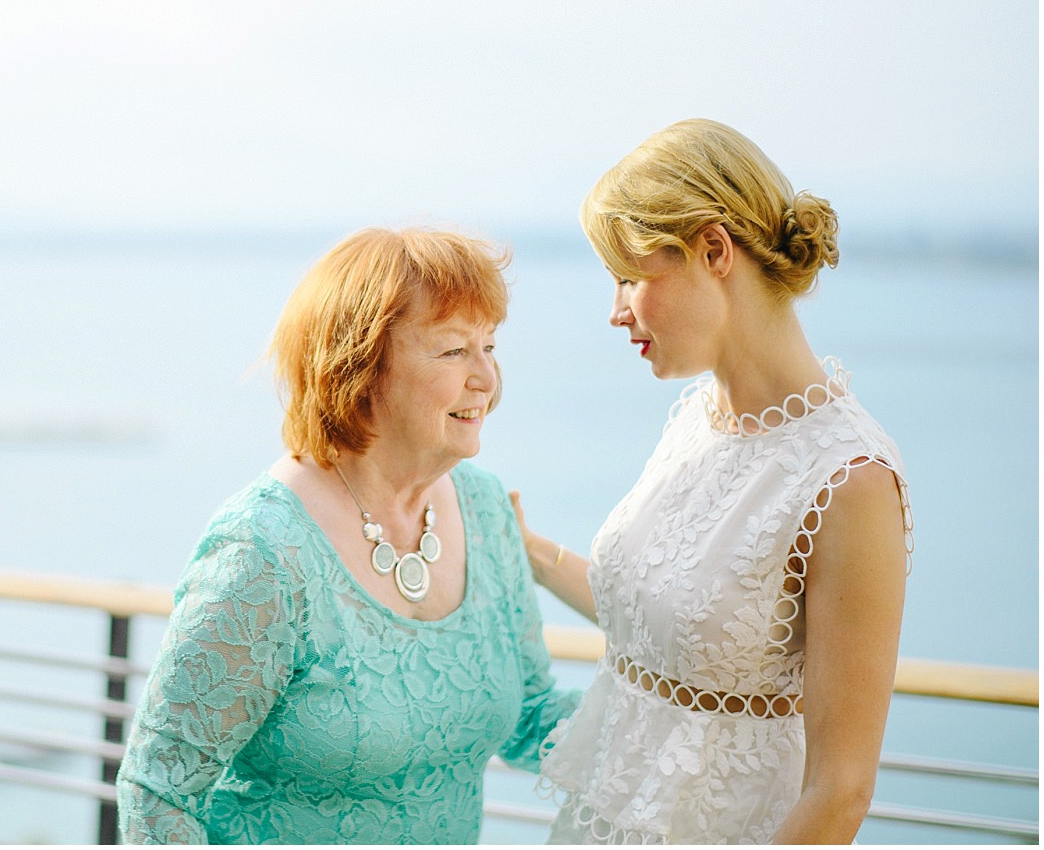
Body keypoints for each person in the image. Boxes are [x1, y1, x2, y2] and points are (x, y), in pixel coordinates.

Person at [513, 118, 913, 843]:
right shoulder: (693, 420)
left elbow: (840, 793)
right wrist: (529, 551)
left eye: (630, 276)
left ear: (713, 249)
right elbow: (666, 622)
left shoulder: (851, 481)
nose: (615, 311)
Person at [116, 227, 580, 844]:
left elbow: (528, 717)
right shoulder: (264, 550)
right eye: (452, 352)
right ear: (361, 368)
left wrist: (707, 712)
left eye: (489, 346)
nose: (487, 380)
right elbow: (158, 794)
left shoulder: (486, 508)